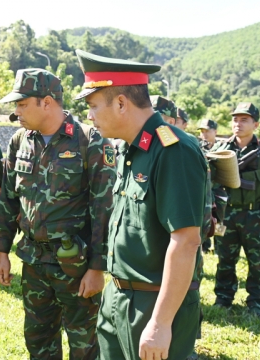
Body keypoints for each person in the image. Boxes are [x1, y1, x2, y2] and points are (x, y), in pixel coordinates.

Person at [75, 49, 207, 360]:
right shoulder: (130, 150)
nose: (89, 116)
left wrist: (160, 323)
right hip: (118, 297)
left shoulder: (173, 150)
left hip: (152, 305)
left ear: (121, 103)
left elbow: (186, 241)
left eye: (93, 106)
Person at [0, 69, 115, 359]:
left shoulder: (89, 141)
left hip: (76, 264)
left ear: (46, 102)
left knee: (84, 345)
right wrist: (2, 252)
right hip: (34, 262)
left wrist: (97, 268)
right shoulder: (18, 141)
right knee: (38, 341)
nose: (16, 112)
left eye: (22, 104)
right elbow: (8, 200)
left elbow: (104, 210)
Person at [211, 102, 260, 317]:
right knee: (225, 260)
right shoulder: (221, 150)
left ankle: (256, 304)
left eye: (244, 120)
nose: (238, 124)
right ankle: (223, 298)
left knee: (257, 262)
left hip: (255, 215)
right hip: (226, 214)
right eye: (235, 119)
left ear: (256, 124)